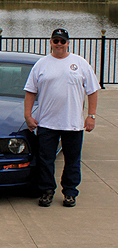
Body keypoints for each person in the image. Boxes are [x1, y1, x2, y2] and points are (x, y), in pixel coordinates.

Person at [24, 28, 100, 208]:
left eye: (62, 41)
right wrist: (28, 115)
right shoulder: (41, 64)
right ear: (50, 42)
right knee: (45, 160)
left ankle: (70, 192)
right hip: (47, 123)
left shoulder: (79, 63)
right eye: (56, 41)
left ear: (68, 43)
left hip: (72, 124)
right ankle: (46, 191)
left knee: (72, 160)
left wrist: (91, 116)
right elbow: (30, 91)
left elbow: (92, 91)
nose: (59, 44)